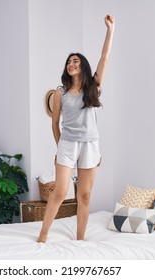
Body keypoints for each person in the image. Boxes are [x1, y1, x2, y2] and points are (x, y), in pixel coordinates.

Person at [37, 15, 115, 243]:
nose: (71, 64)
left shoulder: (93, 86)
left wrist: (110, 30)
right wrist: (61, 147)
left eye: (75, 62)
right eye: (69, 62)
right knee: (60, 192)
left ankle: (80, 239)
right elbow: (54, 123)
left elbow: (105, 57)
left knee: (85, 195)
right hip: (67, 144)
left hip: (90, 145)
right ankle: (42, 236)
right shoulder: (59, 92)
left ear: (82, 67)